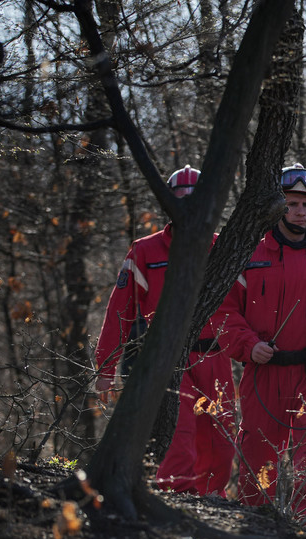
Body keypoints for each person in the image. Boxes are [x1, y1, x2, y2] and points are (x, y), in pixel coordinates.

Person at [213, 164, 306, 539]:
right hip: (264, 373)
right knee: (258, 457)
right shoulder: (248, 257)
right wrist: (248, 345)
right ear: (277, 207)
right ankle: (258, 537)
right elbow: (224, 313)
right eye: (291, 203)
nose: (299, 211)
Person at [93, 165, 236, 496]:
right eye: (180, 199)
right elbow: (120, 311)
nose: (188, 205)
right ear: (169, 204)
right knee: (179, 438)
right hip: (168, 359)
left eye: (195, 199)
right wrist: (106, 366)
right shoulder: (146, 251)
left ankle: (211, 501)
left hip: (215, 357)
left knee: (222, 440)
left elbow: (250, 303)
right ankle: (178, 501)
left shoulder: (226, 248)